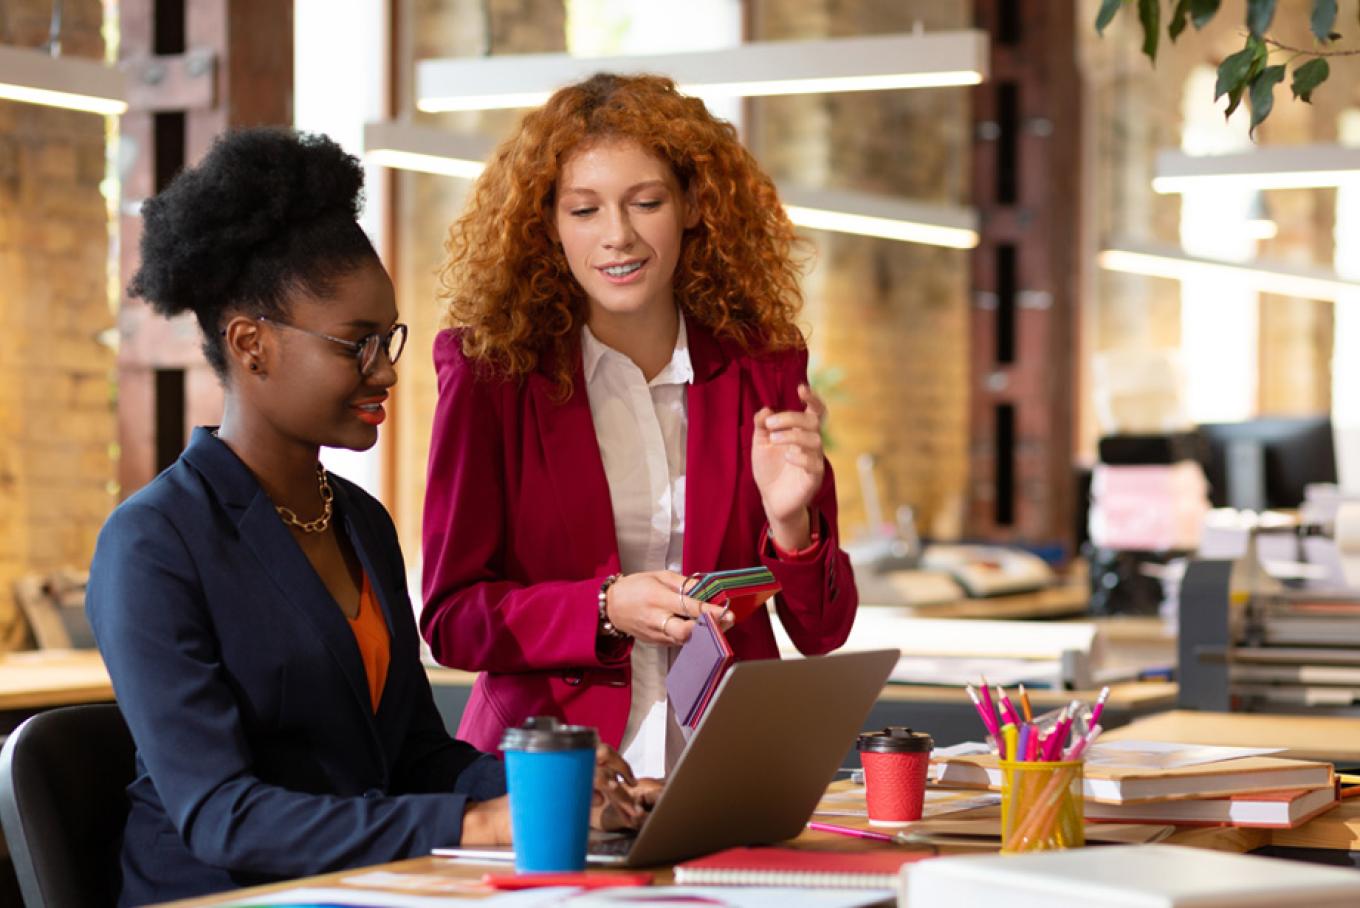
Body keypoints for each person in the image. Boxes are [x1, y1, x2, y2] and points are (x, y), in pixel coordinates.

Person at [87, 128, 644, 905]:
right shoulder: (154, 542)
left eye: (389, 339)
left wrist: (554, 785)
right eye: (357, 344)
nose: (385, 369)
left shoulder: (359, 520)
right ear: (251, 345)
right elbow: (222, 818)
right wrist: (476, 824)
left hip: (364, 884)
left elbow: (414, 752)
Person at [422, 73, 859, 777]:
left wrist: (791, 527)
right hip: (551, 772)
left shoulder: (764, 369)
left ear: (691, 204)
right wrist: (604, 607)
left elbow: (822, 630)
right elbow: (452, 620)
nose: (617, 236)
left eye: (646, 202)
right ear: (548, 224)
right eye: (584, 210)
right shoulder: (491, 375)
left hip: (729, 769)